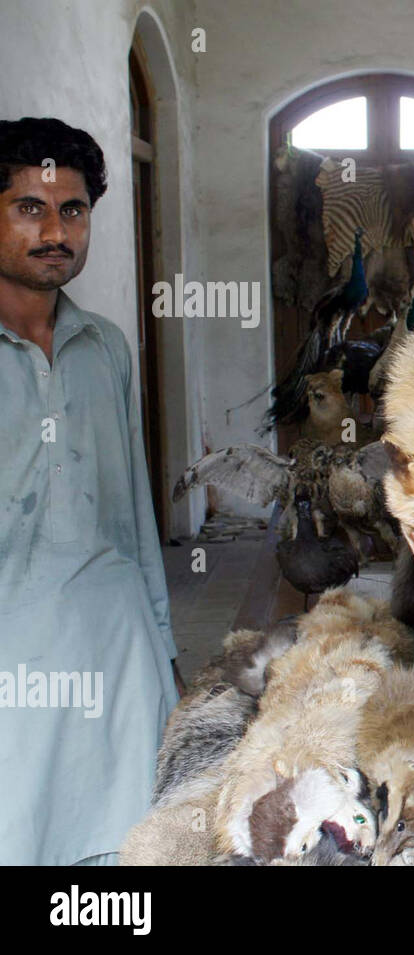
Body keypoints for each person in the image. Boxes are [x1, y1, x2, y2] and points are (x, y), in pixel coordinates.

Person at [0, 117, 181, 865]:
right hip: (15, 660)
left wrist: (164, 643)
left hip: (120, 652)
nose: (55, 230)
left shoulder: (105, 346)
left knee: (132, 848)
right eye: (29, 208)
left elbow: (135, 510)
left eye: (72, 211)